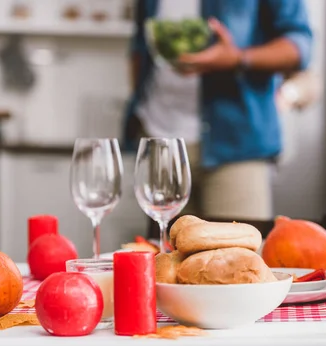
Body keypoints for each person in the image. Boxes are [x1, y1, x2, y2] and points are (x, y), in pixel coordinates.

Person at [124, 0, 313, 220]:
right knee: (167, 249)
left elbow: (301, 46)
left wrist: (238, 58)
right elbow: (141, 43)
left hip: (237, 144)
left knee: (236, 250)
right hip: (160, 137)